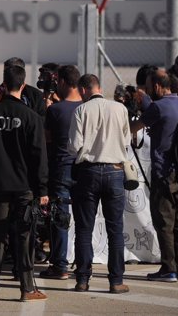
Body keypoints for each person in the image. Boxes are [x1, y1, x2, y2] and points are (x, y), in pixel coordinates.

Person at [0, 64, 48, 302]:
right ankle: (27, 288)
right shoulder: (31, 117)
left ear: (4, 83)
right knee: (24, 236)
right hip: (24, 187)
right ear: (23, 84)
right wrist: (42, 189)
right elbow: (39, 155)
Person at [68, 74, 130, 294]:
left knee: (84, 229)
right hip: (114, 171)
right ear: (99, 87)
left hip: (88, 172)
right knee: (115, 229)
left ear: (84, 90)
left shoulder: (81, 111)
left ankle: (82, 280)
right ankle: (116, 281)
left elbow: (74, 146)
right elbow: (126, 141)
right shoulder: (120, 109)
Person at [131, 69, 178, 283]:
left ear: (156, 86)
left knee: (164, 222)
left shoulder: (158, 107)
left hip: (163, 174)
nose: (146, 90)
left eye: (147, 86)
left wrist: (139, 107)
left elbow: (133, 128)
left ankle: (168, 269)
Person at [40, 64, 83, 280]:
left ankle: (59, 265)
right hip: (84, 169)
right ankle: (83, 266)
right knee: (84, 220)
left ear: (63, 82)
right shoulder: (87, 108)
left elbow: (46, 140)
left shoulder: (55, 110)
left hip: (61, 169)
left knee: (59, 219)